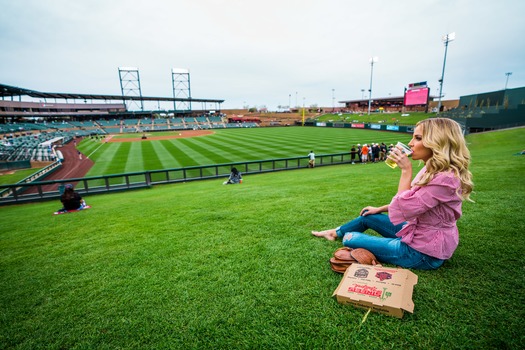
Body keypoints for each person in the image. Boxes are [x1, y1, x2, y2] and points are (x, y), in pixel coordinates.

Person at [312, 118, 473, 270]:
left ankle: (389, 244)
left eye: (417, 138)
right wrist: (380, 209)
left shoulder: (445, 180)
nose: (410, 144)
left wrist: (405, 170)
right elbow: (418, 200)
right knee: (368, 216)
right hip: (417, 232)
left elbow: (405, 208)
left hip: (424, 252)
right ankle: (334, 233)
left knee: (350, 238)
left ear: (437, 142)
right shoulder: (432, 169)